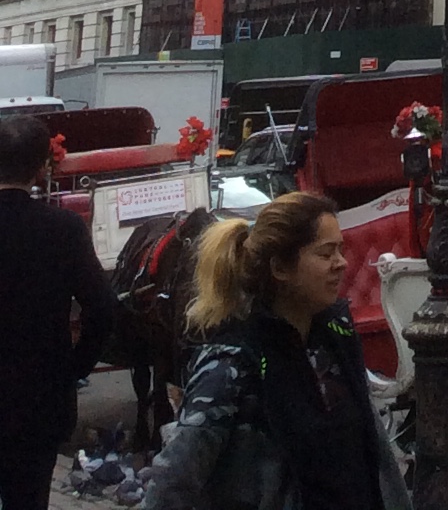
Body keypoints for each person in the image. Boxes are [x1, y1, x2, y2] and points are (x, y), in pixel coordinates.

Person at [142, 192, 409, 510]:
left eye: (340, 249)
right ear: (280, 268)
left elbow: (372, 449)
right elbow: (174, 480)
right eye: (325, 253)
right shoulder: (232, 362)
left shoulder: (335, 334)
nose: (342, 263)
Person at [0, 110, 116, 510]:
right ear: (42, 168)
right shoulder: (63, 229)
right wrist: (73, 367)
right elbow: (102, 307)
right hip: (38, 402)